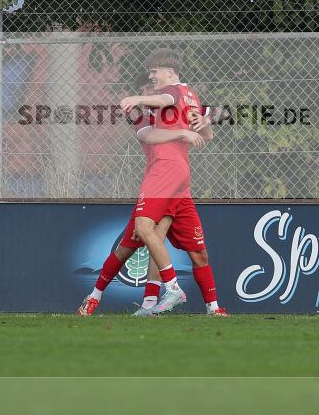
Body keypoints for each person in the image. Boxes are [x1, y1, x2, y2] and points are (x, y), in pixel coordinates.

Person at [89, 48, 226, 316]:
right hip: (169, 178)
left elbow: (204, 127)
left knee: (149, 233)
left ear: (169, 73)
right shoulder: (144, 112)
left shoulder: (174, 95)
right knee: (148, 239)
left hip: (167, 175)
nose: (151, 85)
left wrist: (204, 121)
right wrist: (189, 129)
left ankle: (181, 295)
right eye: (147, 82)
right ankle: (147, 302)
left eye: (154, 75)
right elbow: (148, 136)